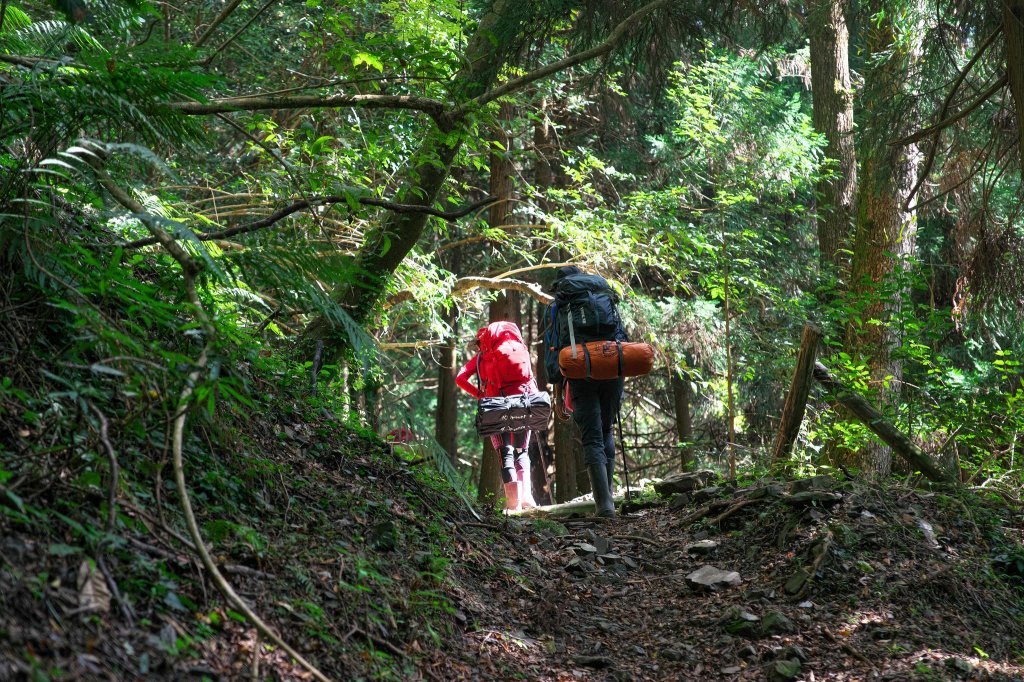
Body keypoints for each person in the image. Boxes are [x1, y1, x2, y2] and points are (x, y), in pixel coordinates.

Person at [544, 266, 628, 518]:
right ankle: (607, 499)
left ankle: (604, 506)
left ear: (561, 285)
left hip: (581, 369)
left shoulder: (559, 304)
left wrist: (557, 394)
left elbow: (556, 350)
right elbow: (621, 334)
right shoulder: (603, 295)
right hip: (613, 363)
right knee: (606, 430)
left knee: (592, 436)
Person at [456, 321, 539, 511]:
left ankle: (513, 504)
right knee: (522, 451)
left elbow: (459, 378)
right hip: (522, 403)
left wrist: (479, 394)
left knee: (505, 452)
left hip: (496, 406)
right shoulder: (518, 349)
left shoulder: (481, 358)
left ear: (483, 342)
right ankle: (527, 498)